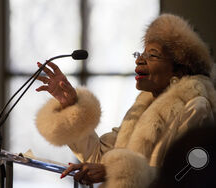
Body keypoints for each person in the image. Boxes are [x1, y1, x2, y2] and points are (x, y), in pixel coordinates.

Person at [35, 13, 216, 188]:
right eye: (140, 54)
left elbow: (188, 173)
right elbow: (98, 158)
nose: (139, 60)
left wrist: (115, 171)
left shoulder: (196, 106)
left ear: (179, 69)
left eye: (152, 55)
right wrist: (70, 104)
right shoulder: (141, 109)